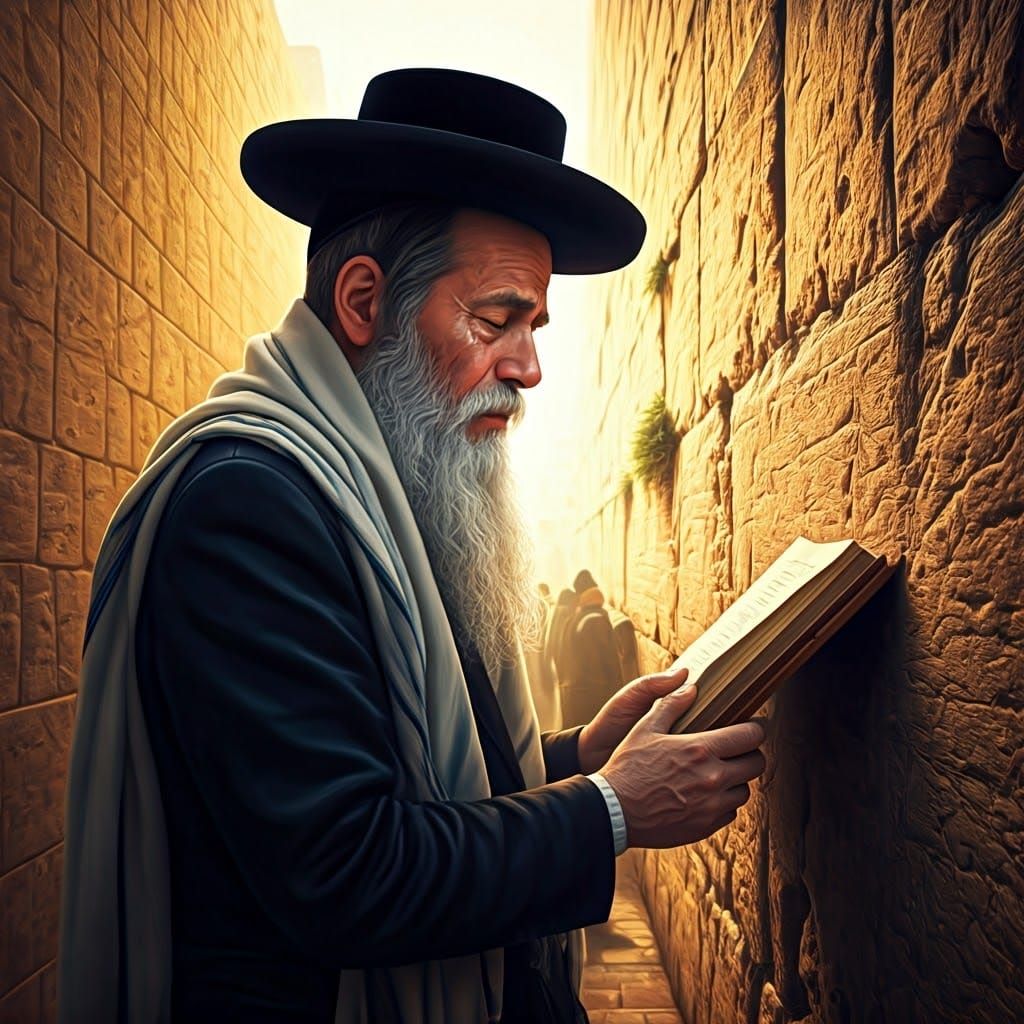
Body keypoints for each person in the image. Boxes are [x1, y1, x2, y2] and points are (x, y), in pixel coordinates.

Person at [58, 69, 766, 1023]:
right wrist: (611, 809)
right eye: (496, 319)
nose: (529, 368)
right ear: (364, 302)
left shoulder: (394, 490)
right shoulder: (245, 506)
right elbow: (347, 868)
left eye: (534, 325)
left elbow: (426, 765)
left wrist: (577, 757)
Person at [559, 571, 624, 727]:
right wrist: (617, 693)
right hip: (594, 696)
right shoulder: (596, 619)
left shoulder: (576, 618)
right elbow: (608, 662)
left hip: (577, 695)